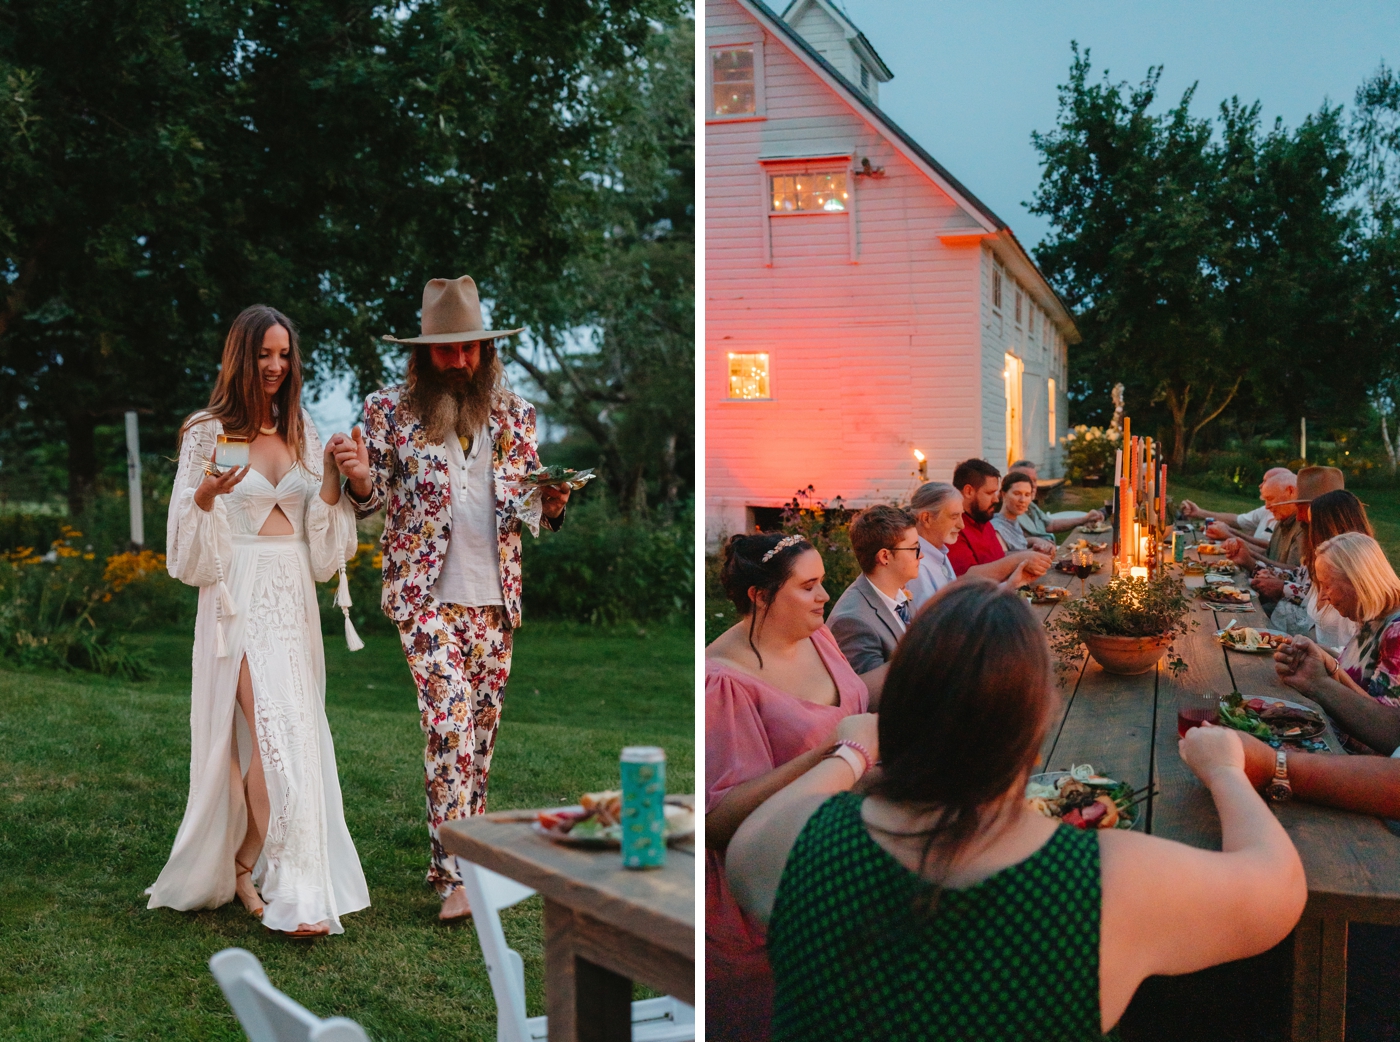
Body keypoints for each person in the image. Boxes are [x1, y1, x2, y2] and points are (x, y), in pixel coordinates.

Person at [726, 581, 1306, 1040]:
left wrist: (851, 751)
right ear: (1037, 722)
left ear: (896, 709)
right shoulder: (1105, 881)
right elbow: (1280, 885)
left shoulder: (787, 845)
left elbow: (774, 814)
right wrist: (1228, 771)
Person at [328, 276, 570, 921]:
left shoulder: (515, 414)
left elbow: (524, 505)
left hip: (495, 599)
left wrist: (549, 501)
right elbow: (373, 499)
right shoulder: (387, 411)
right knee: (450, 722)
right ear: (423, 353)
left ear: (485, 351)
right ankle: (452, 873)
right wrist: (357, 479)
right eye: (446, 350)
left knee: (480, 735)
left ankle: (472, 857)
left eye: (469, 349)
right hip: (423, 595)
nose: (459, 361)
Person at [148, 305, 370, 937]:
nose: (275, 366)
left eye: (284, 354)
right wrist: (206, 496)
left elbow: (326, 551)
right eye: (264, 354)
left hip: (293, 596)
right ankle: (293, 891)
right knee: (272, 734)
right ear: (239, 358)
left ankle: (249, 866)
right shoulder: (205, 430)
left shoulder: (301, 429)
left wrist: (333, 479)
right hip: (237, 598)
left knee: (300, 736)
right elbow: (185, 550)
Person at [706, 533, 873, 1042]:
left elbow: (854, 707)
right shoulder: (723, 680)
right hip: (772, 888)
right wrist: (833, 756)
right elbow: (720, 821)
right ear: (761, 596)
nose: (826, 595)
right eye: (810, 586)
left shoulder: (815, 635)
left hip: (847, 850)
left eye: (823, 581)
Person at [1271, 532, 1400, 755]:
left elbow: (1389, 732)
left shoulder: (1396, 631)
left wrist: (1317, 683)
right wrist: (1325, 658)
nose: (1322, 597)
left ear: (1359, 580)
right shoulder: (1373, 616)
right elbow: (1361, 679)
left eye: (1327, 585)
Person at [906, 481, 1050, 611]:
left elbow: (959, 604)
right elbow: (935, 625)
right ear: (926, 518)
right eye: (954, 517)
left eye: (962, 516)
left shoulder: (938, 553)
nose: (961, 525)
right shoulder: (917, 566)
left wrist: (1012, 584)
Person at [1255, 490, 1370, 647]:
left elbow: (1354, 655)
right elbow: (1301, 580)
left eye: (1310, 524)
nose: (1299, 519)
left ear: (1329, 527)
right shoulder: (1322, 567)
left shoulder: (1353, 583)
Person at [828, 505, 919, 702]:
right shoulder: (852, 620)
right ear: (885, 556)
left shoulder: (897, 595)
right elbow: (872, 699)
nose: (920, 556)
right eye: (913, 549)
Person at [945, 459, 1053, 576]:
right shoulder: (953, 526)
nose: (996, 499)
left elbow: (998, 558)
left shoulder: (983, 520)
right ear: (968, 491)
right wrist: (1019, 559)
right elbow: (966, 576)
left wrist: (1032, 554)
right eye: (990, 493)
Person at [1182, 467, 1295, 550]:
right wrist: (1199, 513)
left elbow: (1269, 551)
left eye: (1266, 481)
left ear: (1289, 490)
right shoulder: (1267, 509)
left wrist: (1230, 535)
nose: (1260, 485)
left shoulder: (1289, 517)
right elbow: (1237, 520)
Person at [1008, 459, 1103, 538]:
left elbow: (1051, 525)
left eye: (1034, 480)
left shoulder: (1031, 506)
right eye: (1027, 480)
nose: (1033, 485)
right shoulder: (1009, 512)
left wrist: (1084, 519)